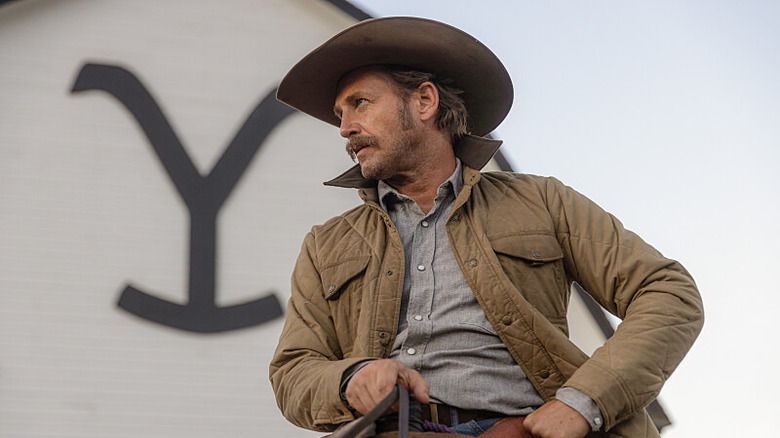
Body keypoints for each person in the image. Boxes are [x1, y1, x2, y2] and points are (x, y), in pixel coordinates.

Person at [269, 17, 703, 438]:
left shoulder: (541, 201)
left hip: (521, 429)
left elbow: (669, 293)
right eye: (339, 114)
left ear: (424, 102)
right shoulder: (325, 244)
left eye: (359, 103)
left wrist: (582, 402)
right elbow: (292, 371)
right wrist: (352, 378)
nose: (345, 128)